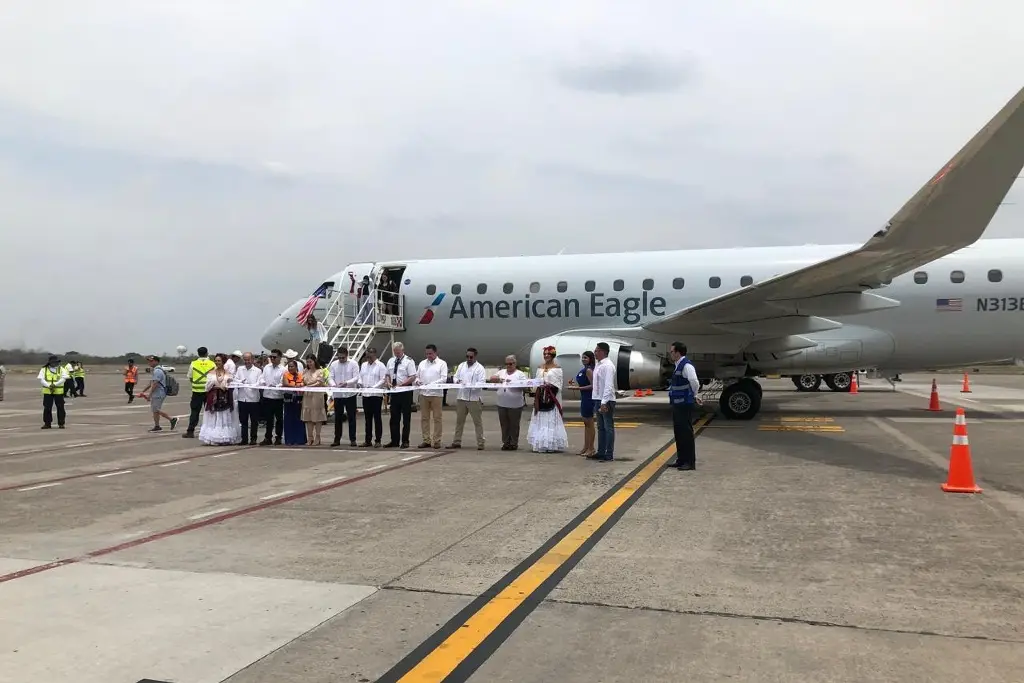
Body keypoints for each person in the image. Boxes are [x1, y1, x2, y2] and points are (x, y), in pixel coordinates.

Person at [527, 345, 568, 453]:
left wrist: (548, 385)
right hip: (540, 396)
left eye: (548, 354)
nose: (546, 356)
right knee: (540, 418)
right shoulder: (540, 367)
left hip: (551, 396)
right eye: (544, 354)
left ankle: (551, 444)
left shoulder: (557, 369)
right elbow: (536, 381)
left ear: (553, 355)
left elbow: (559, 383)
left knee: (550, 418)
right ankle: (541, 443)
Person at [668, 341, 701, 470]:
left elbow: (694, 382)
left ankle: (689, 462)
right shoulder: (678, 365)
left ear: (677, 352)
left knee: (686, 433)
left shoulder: (686, 366)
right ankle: (681, 459)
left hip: (684, 404)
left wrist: (694, 394)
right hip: (677, 404)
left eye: (672, 352)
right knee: (679, 433)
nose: (670, 354)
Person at [197, 354, 241, 445]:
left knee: (223, 417)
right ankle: (213, 438)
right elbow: (207, 388)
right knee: (214, 417)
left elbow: (232, 385)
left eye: (219, 361)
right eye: (216, 361)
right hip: (214, 398)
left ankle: (224, 437)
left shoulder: (228, 374)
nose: (217, 363)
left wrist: (228, 384)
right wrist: (214, 383)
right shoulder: (211, 373)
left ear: (223, 362)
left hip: (225, 399)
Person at [449, 347, 487, 449]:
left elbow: (482, 382)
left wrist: (470, 385)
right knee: (459, 421)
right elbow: (455, 377)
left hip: (474, 399)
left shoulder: (480, 368)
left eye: (471, 357)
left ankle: (480, 443)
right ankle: (456, 441)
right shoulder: (462, 365)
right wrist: (457, 381)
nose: (469, 358)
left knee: (477, 422)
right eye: (467, 356)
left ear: (475, 357)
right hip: (461, 397)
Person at [488, 355, 527, 450]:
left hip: (515, 405)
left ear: (515, 364)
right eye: (507, 364)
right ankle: (506, 442)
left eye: (510, 364)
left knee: (514, 425)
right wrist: (498, 379)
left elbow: (524, 386)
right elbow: (491, 378)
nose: (508, 366)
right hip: (502, 403)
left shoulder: (520, 374)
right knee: (504, 425)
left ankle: (514, 443)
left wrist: (513, 382)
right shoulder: (501, 372)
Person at [385, 342, 417, 449]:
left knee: (406, 418)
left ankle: (405, 441)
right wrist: (388, 382)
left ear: (402, 350)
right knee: (394, 418)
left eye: (398, 352)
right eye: (395, 352)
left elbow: (412, 376)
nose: (397, 354)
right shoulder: (391, 361)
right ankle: (394, 440)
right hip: (394, 392)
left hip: (405, 392)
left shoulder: (409, 361)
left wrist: (402, 384)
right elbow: (387, 375)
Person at [415, 344, 447, 449]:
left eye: (430, 353)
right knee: (424, 418)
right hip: (424, 394)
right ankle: (426, 440)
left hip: (436, 394)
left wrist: (431, 384)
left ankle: (437, 440)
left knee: (437, 418)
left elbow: (443, 378)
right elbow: (417, 377)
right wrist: (418, 381)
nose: (428, 355)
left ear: (435, 352)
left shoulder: (442, 364)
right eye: (427, 353)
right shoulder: (422, 364)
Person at [328, 346, 360, 447]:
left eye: (343, 358)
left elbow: (356, 377)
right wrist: (333, 385)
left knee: (351, 417)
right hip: (338, 394)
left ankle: (353, 439)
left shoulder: (353, 364)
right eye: (339, 357)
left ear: (347, 356)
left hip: (350, 394)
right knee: (338, 418)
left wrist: (346, 383)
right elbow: (330, 377)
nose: (341, 359)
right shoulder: (334, 364)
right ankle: (337, 439)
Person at [138, 355, 178, 432]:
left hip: (159, 393)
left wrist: (149, 395)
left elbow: (155, 384)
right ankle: (157, 426)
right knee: (155, 410)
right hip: (157, 393)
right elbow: (151, 383)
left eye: (151, 361)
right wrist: (143, 391)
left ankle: (172, 419)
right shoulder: (156, 370)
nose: (149, 362)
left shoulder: (157, 371)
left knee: (156, 409)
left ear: (156, 361)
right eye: (149, 361)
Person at [183, 347, 216, 439]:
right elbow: (215, 377)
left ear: (198, 354)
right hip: (209, 391)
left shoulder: (193, 363)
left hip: (197, 391)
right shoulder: (212, 364)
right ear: (207, 353)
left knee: (194, 412)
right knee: (210, 411)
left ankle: (190, 431)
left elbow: (190, 377)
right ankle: (211, 431)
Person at [591, 342, 617, 461]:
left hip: (605, 400)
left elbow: (608, 385)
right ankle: (601, 451)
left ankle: (609, 453)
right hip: (597, 398)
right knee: (601, 427)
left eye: (597, 350)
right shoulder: (599, 365)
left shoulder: (607, 366)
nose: (595, 353)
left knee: (608, 427)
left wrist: (604, 402)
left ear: (604, 352)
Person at [569, 351, 596, 457]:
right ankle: (585, 447)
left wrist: (577, 388)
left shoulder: (589, 370)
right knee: (586, 423)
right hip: (584, 398)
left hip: (589, 398)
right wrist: (574, 384)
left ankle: (591, 448)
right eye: (582, 357)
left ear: (590, 359)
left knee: (590, 423)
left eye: (586, 357)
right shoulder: (583, 370)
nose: (583, 359)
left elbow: (593, 386)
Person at [358, 347, 387, 447]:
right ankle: (368, 440)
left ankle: (378, 440)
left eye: (370, 356)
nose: (368, 358)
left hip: (376, 395)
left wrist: (373, 387)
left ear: (374, 355)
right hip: (366, 395)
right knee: (367, 419)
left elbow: (383, 379)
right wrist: (360, 384)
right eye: (367, 356)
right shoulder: (364, 365)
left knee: (377, 418)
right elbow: (360, 377)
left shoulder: (380, 365)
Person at [235, 352, 263, 445]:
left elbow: (260, 382)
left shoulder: (258, 371)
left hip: (253, 399)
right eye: (245, 360)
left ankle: (253, 439)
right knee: (243, 420)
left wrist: (253, 385)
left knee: (254, 421)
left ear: (252, 360)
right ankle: (244, 439)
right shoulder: (240, 369)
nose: (247, 361)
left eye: (248, 359)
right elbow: (235, 379)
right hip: (242, 398)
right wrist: (241, 381)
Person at [259, 349, 286, 445]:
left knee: (279, 419)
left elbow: (283, 382)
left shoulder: (283, 369)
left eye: (274, 357)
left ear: (279, 358)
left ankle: (278, 437)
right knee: (268, 419)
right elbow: (262, 377)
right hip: (267, 396)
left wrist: (276, 386)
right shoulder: (267, 367)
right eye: (271, 357)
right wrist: (263, 383)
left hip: (278, 397)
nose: (272, 359)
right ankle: (268, 437)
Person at [301, 356, 328, 446]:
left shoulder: (320, 371)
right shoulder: (305, 371)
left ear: (314, 361)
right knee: (308, 417)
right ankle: (310, 437)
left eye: (311, 362)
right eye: (308, 362)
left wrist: (309, 385)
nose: (309, 364)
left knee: (317, 417)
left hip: (317, 395)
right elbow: (302, 381)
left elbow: (319, 382)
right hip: (307, 395)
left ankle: (318, 437)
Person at [38, 354, 69, 429]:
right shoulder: (44, 369)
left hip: (58, 391)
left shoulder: (61, 369)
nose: (56, 363)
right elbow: (41, 379)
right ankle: (47, 423)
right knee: (47, 408)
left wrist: (55, 384)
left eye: (57, 362)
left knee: (60, 407)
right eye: (54, 362)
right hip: (48, 391)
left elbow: (64, 378)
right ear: (50, 363)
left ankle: (61, 423)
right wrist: (48, 385)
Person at [280, 359, 307, 446]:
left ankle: (300, 439)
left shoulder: (300, 375)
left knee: (299, 420)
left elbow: (303, 383)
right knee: (289, 420)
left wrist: (300, 385)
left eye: (292, 366)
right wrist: (296, 386)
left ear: (296, 367)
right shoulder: (285, 375)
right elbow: (285, 383)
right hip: (288, 400)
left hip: (298, 400)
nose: (290, 368)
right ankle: (289, 439)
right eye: (289, 366)